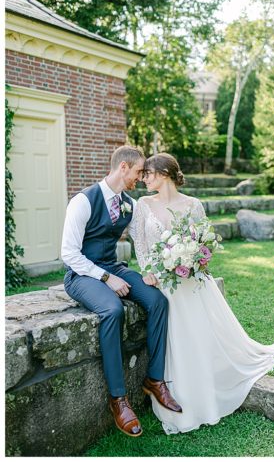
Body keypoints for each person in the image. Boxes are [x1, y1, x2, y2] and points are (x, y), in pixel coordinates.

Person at [128, 152, 274, 434]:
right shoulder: (143, 204)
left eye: (147, 173)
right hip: (161, 281)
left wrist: (194, 259)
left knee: (201, 333)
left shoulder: (193, 204)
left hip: (191, 279)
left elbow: (203, 242)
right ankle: (180, 393)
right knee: (176, 335)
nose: (143, 179)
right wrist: (148, 270)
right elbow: (140, 242)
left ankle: (209, 382)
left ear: (163, 173)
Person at [61, 145, 180, 437]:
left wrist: (155, 268)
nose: (141, 178)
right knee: (112, 310)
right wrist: (105, 278)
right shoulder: (83, 201)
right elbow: (68, 254)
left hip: (114, 267)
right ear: (123, 167)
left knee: (157, 301)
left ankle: (154, 380)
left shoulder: (128, 203)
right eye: (139, 172)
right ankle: (119, 399)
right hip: (81, 274)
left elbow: (142, 241)